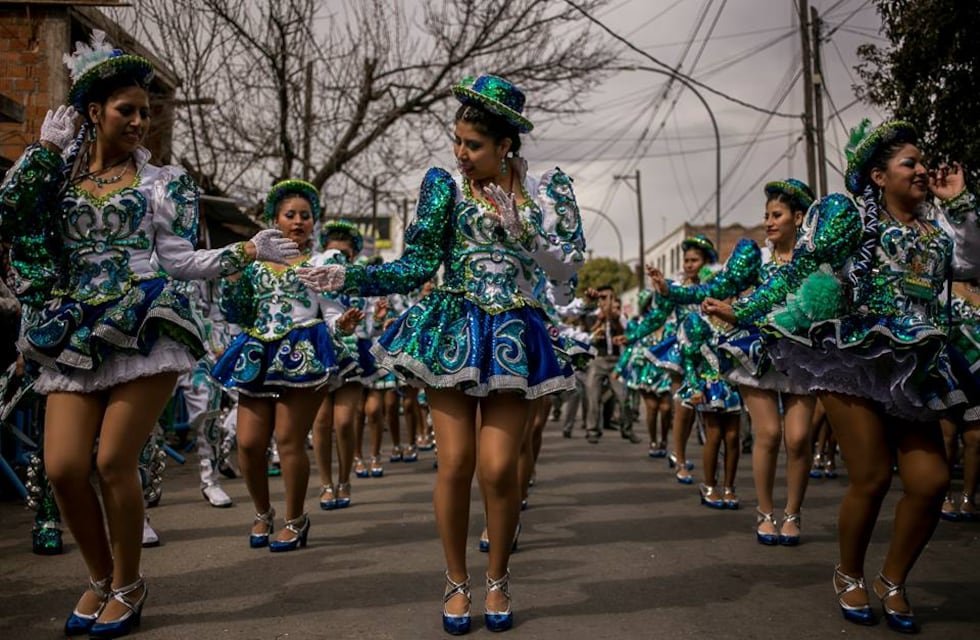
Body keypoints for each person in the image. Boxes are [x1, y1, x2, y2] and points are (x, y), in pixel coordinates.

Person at [0, 31, 298, 638]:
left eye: (144, 112)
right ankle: (100, 576)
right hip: (74, 328)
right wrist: (39, 154)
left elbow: (183, 261)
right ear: (92, 113)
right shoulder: (55, 179)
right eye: (125, 111)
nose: (138, 121)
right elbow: (10, 219)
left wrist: (245, 250)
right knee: (60, 468)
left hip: (147, 321)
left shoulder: (164, 183)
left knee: (113, 460)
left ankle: (129, 585)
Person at [298, 74, 584, 635]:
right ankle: (457, 580)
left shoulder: (548, 191)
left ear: (506, 146)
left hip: (513, 334)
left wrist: (522, 231)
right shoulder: (444, 186)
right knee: (455, 464)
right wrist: (348, 275)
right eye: (457, 141)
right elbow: (414, 266)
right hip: (452, 329)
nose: (461, 153)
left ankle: (497, 577)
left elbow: (569, 265)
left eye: (473, 145)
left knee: (500, 469)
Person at [704, 119, 979, 633]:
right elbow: (798, 268)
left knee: (932, 480)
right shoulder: (851, 218)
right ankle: (848, 571)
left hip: (915, 364)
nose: (922, 170)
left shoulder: (936, 231)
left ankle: (893, 580)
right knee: (873, 476)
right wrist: (747, 311)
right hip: (853, 358)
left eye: (923, 163)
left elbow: (971, 260)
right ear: (879, 175)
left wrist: (959, 200)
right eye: (910, 164)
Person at [212, 181, 360, 552]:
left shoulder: (323, 262)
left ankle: (295, 519)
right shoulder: (255, 261)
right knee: (247, 444)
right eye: (289, 215)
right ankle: (263, 512)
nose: (298, 222)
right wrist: (232, 282)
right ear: (274, 220)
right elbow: (237, 310)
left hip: (302, 352)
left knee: (289, 439)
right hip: (258, 353)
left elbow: (330, 310)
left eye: (305, 216)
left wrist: (340, 325)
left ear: (314, 221)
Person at [672, 180, 818, 542]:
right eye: (766, 215)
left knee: (799, 439)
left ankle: (793, 513)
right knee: (768, 434)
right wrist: (673, 291)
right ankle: (765, 511)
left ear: (798, 217)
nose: (768, 222)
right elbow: (714, 288)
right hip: (759, 355)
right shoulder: (759, 259)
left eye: (777, 215)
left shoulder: (815, 260)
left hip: (805, 355)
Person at [583, 285, 637, 443]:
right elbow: (586, 334)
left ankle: (627, 429)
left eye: (610, 297)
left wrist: (613, 317)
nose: (607, 301)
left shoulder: (619, 317)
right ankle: (592, 430)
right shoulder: (591, 315)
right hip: (597, 360)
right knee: (593, 396)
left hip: (615, 361)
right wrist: (600, 320)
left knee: (623, 396)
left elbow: (627, 333)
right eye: (603, 297)